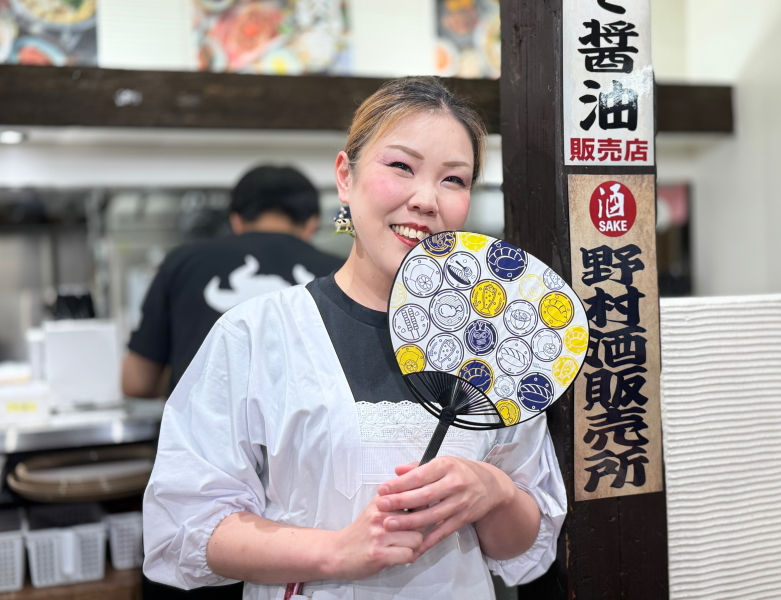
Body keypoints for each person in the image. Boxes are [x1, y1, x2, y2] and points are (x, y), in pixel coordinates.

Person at [143, 77, 567, 600]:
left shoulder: (497, 341)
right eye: (401, 167)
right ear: (346, 177)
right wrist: (337, 551)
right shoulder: (257, 334)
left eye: (453, 180)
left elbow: (519, 548)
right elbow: (187, 527)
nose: (426, 199)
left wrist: (495, 491)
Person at [122, 165, 344, 399]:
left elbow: (137, 382)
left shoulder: (182, 263)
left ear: (236, 220)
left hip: (204, 432)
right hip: (308, 432)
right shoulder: (340, 273)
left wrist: (187, 381)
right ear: (312, 223)